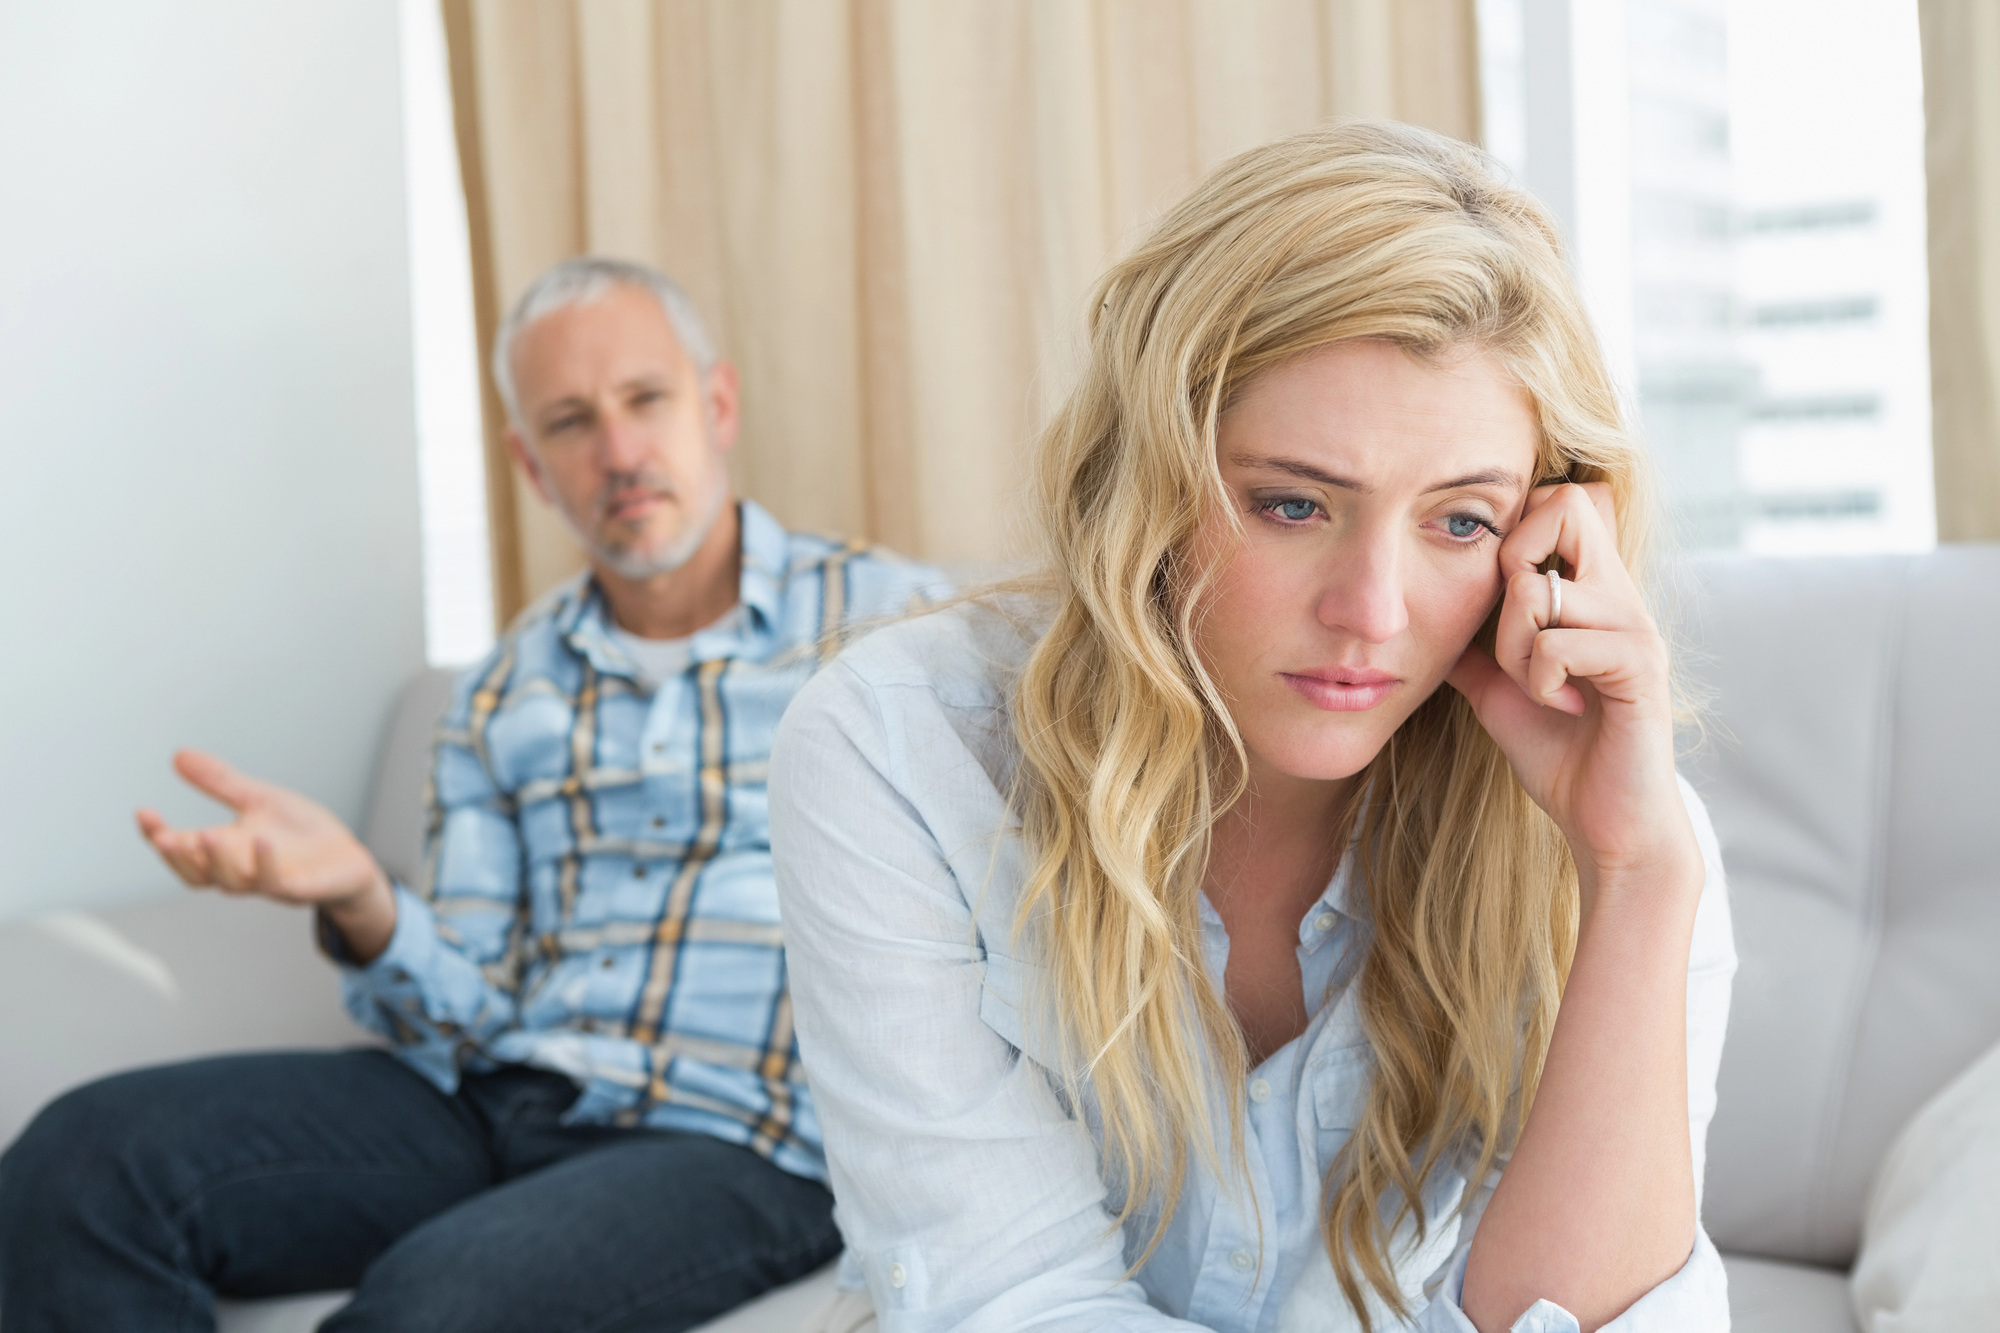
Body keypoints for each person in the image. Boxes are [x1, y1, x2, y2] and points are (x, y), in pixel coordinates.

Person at [769, 122, 1736, 1333]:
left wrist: (1638, 879)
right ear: (1149, 489)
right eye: (1290, 503)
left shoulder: (1626, 838)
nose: (1369, 613)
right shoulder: (901, 753)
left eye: (1458, 524)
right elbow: (1014, 1301)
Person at [0, 257, 944, 1332]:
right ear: (530, 465)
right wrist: (361, 895)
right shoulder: (505, 687)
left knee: (424, 1312)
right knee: (83, 1161)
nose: (621, 452)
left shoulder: (895, 625)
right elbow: (469, 1008)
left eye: (646, 399)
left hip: (739, 1135)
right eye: (572, 421)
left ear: (715, 403)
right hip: (500, 1095)